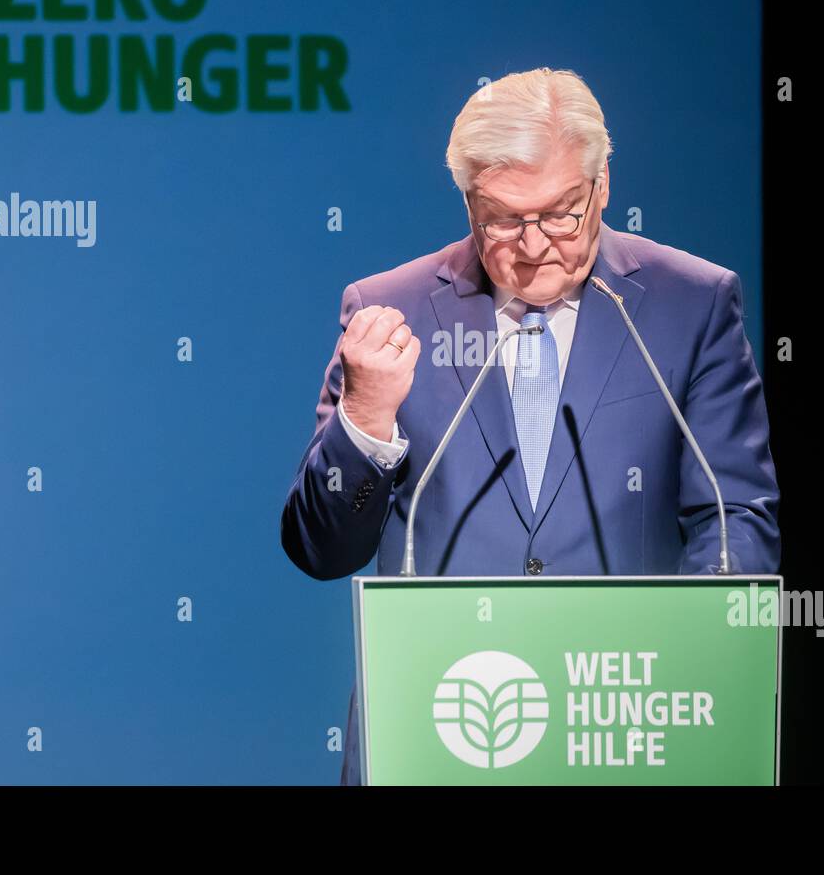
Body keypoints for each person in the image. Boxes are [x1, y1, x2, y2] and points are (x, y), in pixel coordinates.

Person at [280, 67, 779, 784]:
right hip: (438, 731)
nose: (536, 243)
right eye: (504, 220)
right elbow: (321, 550)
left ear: (602, 185)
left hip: (625, 726)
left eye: (562, 212)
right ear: (468, 203)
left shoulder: (689, 305)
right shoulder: (389, 309)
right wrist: (364, 417)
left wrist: (686, 665)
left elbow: (737, 519)